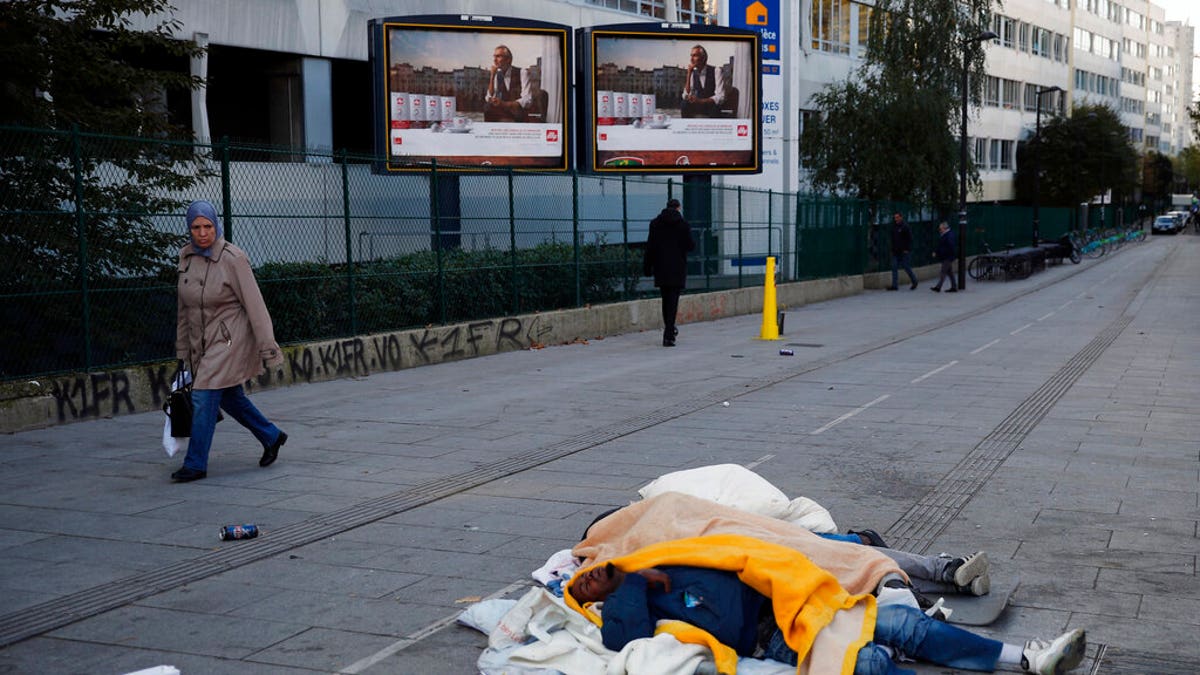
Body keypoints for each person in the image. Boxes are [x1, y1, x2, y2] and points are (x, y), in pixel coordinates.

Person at [567, 535, 1086, 675]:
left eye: (594, 572)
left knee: (904, 626)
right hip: (775, 642)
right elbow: (623, 641)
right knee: (872, 663)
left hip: (800, 606)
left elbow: (746, 554)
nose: (590, 579)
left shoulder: (671, 559)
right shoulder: (626, 606)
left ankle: (1025, 657)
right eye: (585, 586)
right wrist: (628, 582)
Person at [171, 199, 287, 482]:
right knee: (230, 396)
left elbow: (255, 305)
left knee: (203, 395)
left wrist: (267, 348)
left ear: (216, 226)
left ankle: (195, 463)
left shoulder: (233, 258)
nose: (202, 233)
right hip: (202, 342)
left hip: (229, 341)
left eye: (207, 226)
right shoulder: (185, 257)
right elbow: (184, 309)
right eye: (196, 227)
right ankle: (271, 435)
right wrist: (183, 350)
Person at [643, 198, 695, 347]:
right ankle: (669, 333)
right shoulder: (683, 224)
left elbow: (650, 247)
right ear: (678, 208)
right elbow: (690, 245)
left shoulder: (655, 223)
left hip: (661, 267)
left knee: (665, 299)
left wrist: (647, 267)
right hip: (677, 267)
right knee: (673, 300)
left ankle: (669, 329)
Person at [484, 44, 531, 122]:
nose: (494, 60)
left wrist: (505, 104)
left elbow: (527, 100)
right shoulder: (497, 75)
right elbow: (488, 97)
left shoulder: (522, 72)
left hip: (517, 112)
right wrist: (492, 76)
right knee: (487, 107)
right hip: (502, 111)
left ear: (508, 59)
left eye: (498, 56)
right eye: (494, 56)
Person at [680, 45, 726, 118]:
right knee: (684, 104)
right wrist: (689, 74)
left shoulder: (716, 71)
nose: (691, 59)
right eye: (691, 56)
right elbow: (685, 95)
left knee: (716, 107)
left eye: (695, 56)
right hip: (697, 107)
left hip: (711, 107)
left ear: (703, 58)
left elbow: (720, 97)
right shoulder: (692, 73)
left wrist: (701, 101)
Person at [887, 212, 918, 291]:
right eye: (895, 217)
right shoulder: (894, 227)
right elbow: (892, 239)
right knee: (894, 267)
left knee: (906, 267)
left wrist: (907, 249)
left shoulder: (905, 227)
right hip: (895, 252)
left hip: (904, 252)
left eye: (897, 217)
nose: (896, 219)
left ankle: (914, 281)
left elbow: (910, 239)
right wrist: (892, 249)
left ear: (901, 217)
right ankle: (894, 285)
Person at [930, 222, 958, 293]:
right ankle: (954, 287)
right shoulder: (947, 234)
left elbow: (949, 247)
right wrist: (937, 252)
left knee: (943, 272)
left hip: (947, 257)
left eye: (941, 228)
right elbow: (941, 245)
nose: (939, 230)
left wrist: (940, 253)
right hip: (948, 256)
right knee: (950, 272)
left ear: (945, 228)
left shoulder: (948, 235)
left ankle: (938, 287)